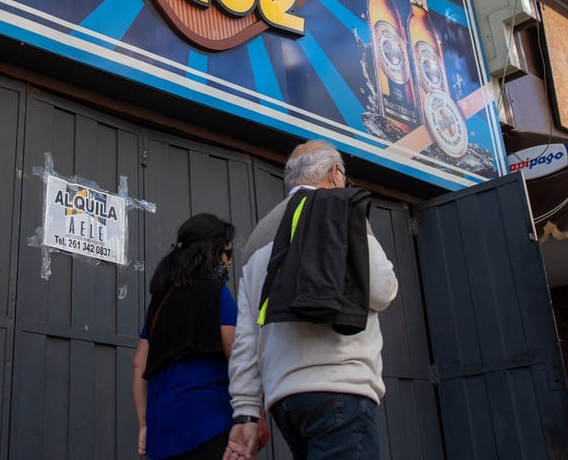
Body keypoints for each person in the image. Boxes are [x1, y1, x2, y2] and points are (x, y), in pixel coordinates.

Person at [224, 139, 399, 460]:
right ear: (335, 173)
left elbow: (246, 336)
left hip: (285, 400)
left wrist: (246, 411)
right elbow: (382, 289)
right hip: (340, 385)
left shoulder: (258, 237)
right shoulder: (342, 208)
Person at [133, 214, 238, 460]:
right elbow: (238, 356)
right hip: (207, 423)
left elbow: (139, 364)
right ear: (212, 252)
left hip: (161, 430)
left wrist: (143, 425)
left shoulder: (159, 302)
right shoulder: (217, 293)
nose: (230, 263)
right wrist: (249, 415)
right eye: (228, 254)